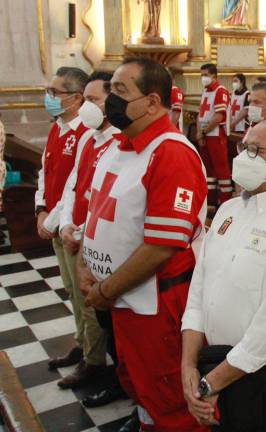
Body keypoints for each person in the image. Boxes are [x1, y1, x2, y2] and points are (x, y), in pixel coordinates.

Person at [78, 56, 208, 431]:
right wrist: (86, 266)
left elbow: (162, 245)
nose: (110, 102)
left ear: (152, 102)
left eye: (121, 92)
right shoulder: (118, 146)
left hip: (156, 301)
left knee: (167, 392)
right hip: (121, 297)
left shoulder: (171, 153)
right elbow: (98, 213)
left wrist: (105, 288)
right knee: (136, 380)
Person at [181, 120, 266, 431]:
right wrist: (189, 366)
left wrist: (209, 384)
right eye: (243, 147)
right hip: (217, 362)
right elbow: (200, 289)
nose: (244, 156)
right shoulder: (229, 209)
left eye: (255, 150)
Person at [51, 72, 120, 394]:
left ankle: (96, 365)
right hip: (73, 231)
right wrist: (64, 223)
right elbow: (73, 185)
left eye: (93, 100)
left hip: (92, 238)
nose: (86, 106)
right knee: (75, 296)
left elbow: (107, 199)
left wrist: (80, 231)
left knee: (94, 306)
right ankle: (84, 349)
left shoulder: (119, 141)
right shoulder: (87, 138)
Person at [36, 67, 90, 372]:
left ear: (76, 98)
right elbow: (46, 170)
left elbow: (74, 181)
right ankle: (81, 341)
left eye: (55, 93)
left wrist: (52, 219)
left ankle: (93, 358)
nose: (49, 98)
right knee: (70, 288)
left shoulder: (84, 132)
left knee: (84, 295)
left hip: (70, 224)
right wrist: (40, 209)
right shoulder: (57, 126)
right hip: (55, 221)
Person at [197, 63, 233, 205]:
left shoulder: (220, 91)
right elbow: (200, 115)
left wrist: (203, 132)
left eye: (205, 75)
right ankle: (210, 201)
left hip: (216, 135)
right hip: (205, 136)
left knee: (221, 170)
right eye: (201, 75)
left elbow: (219, 116)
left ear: (213, 75)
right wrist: (199, 133)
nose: (203, 78)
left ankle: (225, 202)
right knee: (208, 170)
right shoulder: (206, 91)